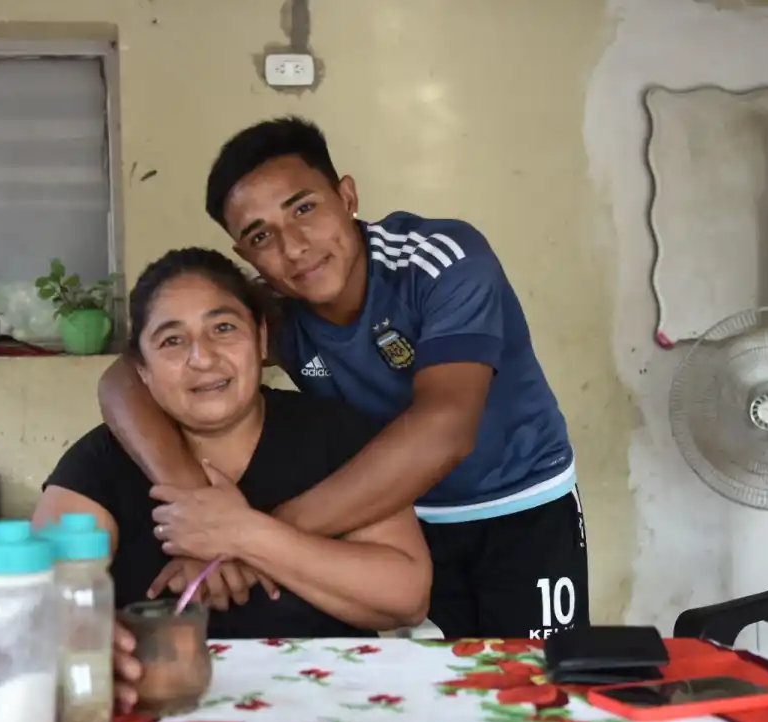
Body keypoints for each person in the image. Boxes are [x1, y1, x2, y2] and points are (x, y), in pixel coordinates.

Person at [98, 116, 587, 640]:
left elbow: (445, 429)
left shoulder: (438, 261)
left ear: (347, 196)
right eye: (261, 235)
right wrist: (196, 500)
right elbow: (122, 378)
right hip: (395, 519)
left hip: (520, 506)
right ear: (246, 256)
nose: (294, 247)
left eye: (304, 208)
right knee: (432, 699)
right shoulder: (276, 313)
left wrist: (248, 535)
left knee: (537, 691)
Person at [34, 246, 432, 709]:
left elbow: (406, 597)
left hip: (329, 712)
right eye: (171, 341)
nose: (202, 358)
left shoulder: (334, 435)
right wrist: (78, 627)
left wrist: (244, 534)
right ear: (140, 370)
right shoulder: (102, 459)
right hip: (159, 714)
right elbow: (38, 586)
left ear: (261, 340)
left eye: (223, 328)